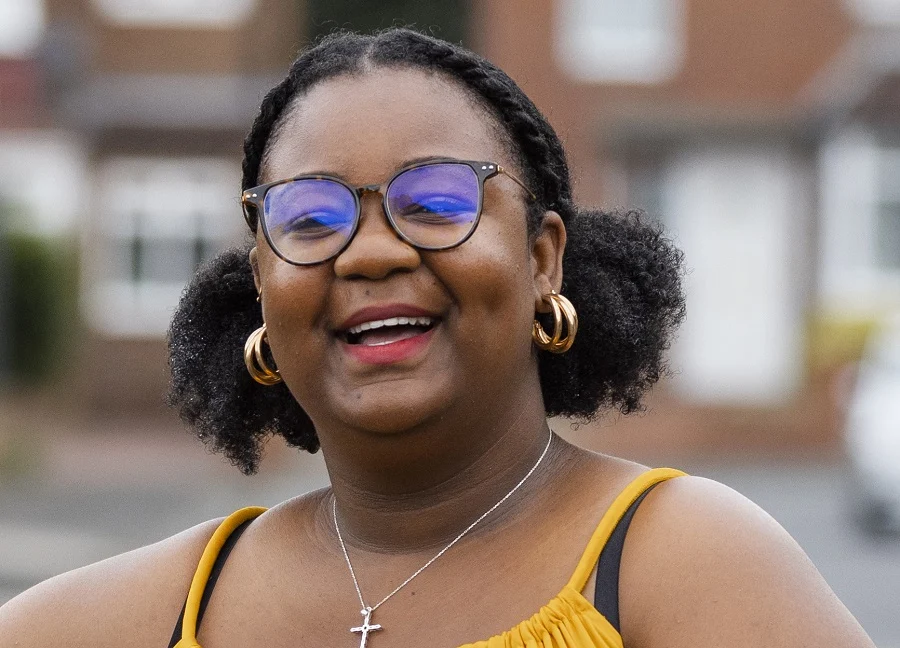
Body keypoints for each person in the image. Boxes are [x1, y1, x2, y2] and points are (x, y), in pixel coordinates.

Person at [0, 29, 875, 648]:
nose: (372, 252)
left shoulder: (688, 563)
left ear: (541, 259)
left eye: (438, 202)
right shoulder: (159, 607)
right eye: (309, 216)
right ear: (263, 283)